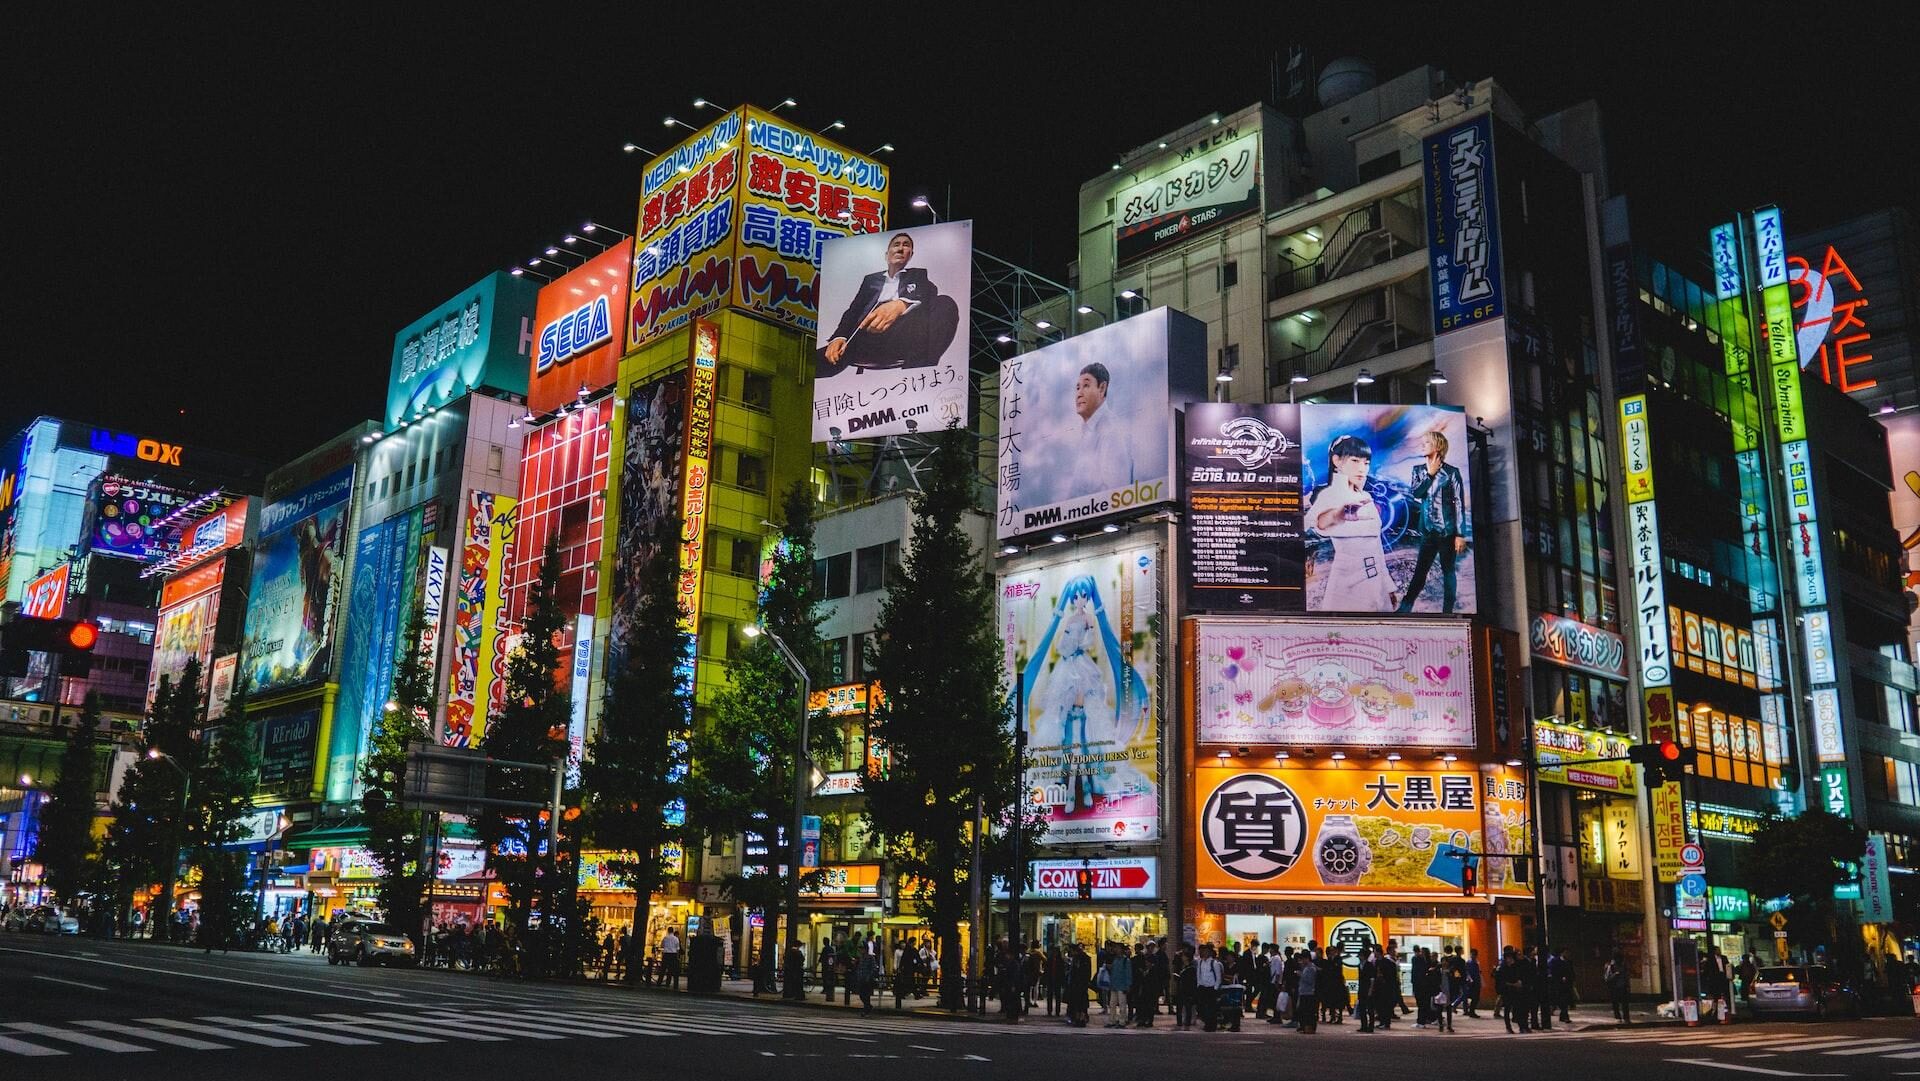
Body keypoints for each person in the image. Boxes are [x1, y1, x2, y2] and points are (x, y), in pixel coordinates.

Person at [815, 232, 961, 379]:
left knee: (946, 303)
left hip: (906, 337)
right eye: (896, 245)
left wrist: (901, 304)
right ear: (886, 255)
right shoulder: (871, 280)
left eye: (906, 245)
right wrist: (839, 337)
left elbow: (929, 291)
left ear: (911, 255)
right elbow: (854, 311)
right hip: (865, 338)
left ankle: (919, 376)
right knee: (817, 361)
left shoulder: (918, 274)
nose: (900, 249)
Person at [1309, 434, 1393, 611]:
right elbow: (1318, 524)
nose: (1362, 469)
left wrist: (1389, 586)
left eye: (1366, 463)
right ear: (1337, 461)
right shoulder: (1328, 495)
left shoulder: (1366, 497)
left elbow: (1377, 548)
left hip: (1377, 585)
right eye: (1355, 461)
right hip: (1346, 586)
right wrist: (1335, 515)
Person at [1396, 429, 1469, 613]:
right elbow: (1416, 493)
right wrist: (1429, 474)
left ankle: (1448, 612)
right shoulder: (1418, 471)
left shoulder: (1452, 472)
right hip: (1428, 531)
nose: (1422, 445)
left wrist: (1460, 534)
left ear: (1438, 446)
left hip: (1448, 532)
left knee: (1448, 571)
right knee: (1420, 572)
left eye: (1426, 442)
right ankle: (1405, 608)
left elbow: (1459, 503)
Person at [1063, 362, 1138, 498]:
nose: (1079, 394)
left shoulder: (1111, 431)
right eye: (1077, 387)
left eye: (1086, 385)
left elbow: (1117, 494)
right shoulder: (1087, 431)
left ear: (1102, 388)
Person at [1195, 943, 1224, 1032]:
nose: (1205, 953)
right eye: (1204, 951)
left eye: (1207, 951)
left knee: (1211, 1008)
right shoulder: (1200, 962)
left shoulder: (1214, 963)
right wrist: (1199, 985)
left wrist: (1215, 988)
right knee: (1203, 1007)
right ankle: (1207, 1023)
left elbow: (1218, 977)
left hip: (1211, 988)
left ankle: (1211, 1025)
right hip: (1203, 987)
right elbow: (1198, 974)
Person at [1294, 944, 1320, 1033]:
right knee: (1304, 1011)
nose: (1302, 961)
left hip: (1309, 992)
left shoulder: (1311, 968)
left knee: (1308, 1012)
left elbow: (1310, 980)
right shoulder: (1306, 968)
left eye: (1303, 959)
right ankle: (1306, 1027)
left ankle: (1310, 1028)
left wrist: (1301, 975)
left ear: (1307, 958)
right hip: (1304, 992)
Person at [1066, 942, 1092, 1028]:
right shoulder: (1085, 958)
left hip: (1078, 983)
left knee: (1078, 1002)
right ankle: (1080, 1018)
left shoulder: (1080, 959)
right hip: (1081, 983)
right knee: (1081, 1002)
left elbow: (1081, 972)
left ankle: (1079, 1018)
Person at [1604, 950, 1632, 1024]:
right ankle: (1618, 1017)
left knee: (1625, 1003)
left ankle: (1626, 1017)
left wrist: (1628, 985)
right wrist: (1615, 975)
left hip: (1623, 987)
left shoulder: (1624, 966)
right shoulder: (1611, 966)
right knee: (1615, 1003)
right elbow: (1607, 978)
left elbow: (1627, 976)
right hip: (1614, 987)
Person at [1550, 948, 1575, 1024]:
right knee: (1562, 1000)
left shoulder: (1568, 961)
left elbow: (1571, 971)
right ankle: (1564, 1016)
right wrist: (1560, 977)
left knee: (1566, 1000)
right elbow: (1553, 971)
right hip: (1559, 984)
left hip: (1567, 984)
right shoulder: (1555, 961)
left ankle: (1564, 1016)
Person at [660, 926, 683, 991]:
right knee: (672, 970)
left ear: (668, 931)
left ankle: (659, 982)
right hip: (673, 955)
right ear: (672, 931)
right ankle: (672, 984)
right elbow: (677, 949)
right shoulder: (676, 939)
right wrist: (677, 957)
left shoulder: (665, 938)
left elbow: (662, 945)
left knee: (663, 969)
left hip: (666, 954)